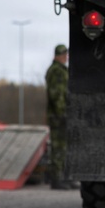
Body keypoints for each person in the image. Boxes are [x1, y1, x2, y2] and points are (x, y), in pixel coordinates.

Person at [45, 44, 71, 189]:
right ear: (59, 55)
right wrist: (62, 113)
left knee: (64, 147)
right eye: (65, 55)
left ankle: (64, 177)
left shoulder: (60, 70)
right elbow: (57, 95)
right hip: (58, 115)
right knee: (58, 147)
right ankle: (57, 179)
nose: (66, 57)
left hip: (61, 114)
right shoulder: (56, 71)